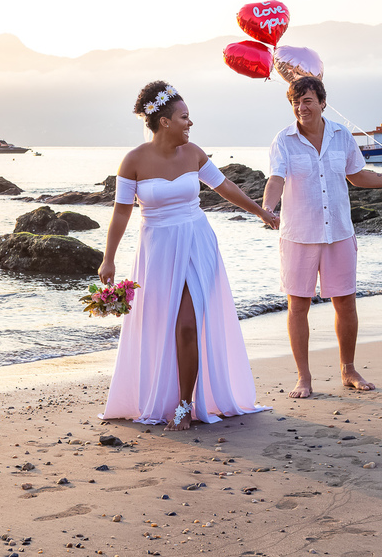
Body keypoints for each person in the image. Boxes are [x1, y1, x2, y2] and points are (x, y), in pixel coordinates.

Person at [98, 81, 277, 431]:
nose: (189, 123)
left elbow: (225, 187)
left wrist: (261, 212)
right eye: (184, 117)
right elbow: (121, 211)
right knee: (166, 327)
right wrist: (109, 258)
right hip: (158, 250)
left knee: (187, 326)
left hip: (197, 243)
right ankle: (167, 397)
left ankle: (184, 404)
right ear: (164, 122)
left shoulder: (194, 153)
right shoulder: (133, 161)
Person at [261, 76, 382, 399]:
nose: (301, 107)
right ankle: (303, 378)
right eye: (295, 102)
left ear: (322, 102)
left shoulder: (341, 136)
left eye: (307, 100)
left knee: (346, 304)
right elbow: (276, 179)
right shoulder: (283, 140)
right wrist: (267, 206)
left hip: (339, 232)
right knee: (298, 307)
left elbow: (359, 176)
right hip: (298, 236)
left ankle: (348, 369)